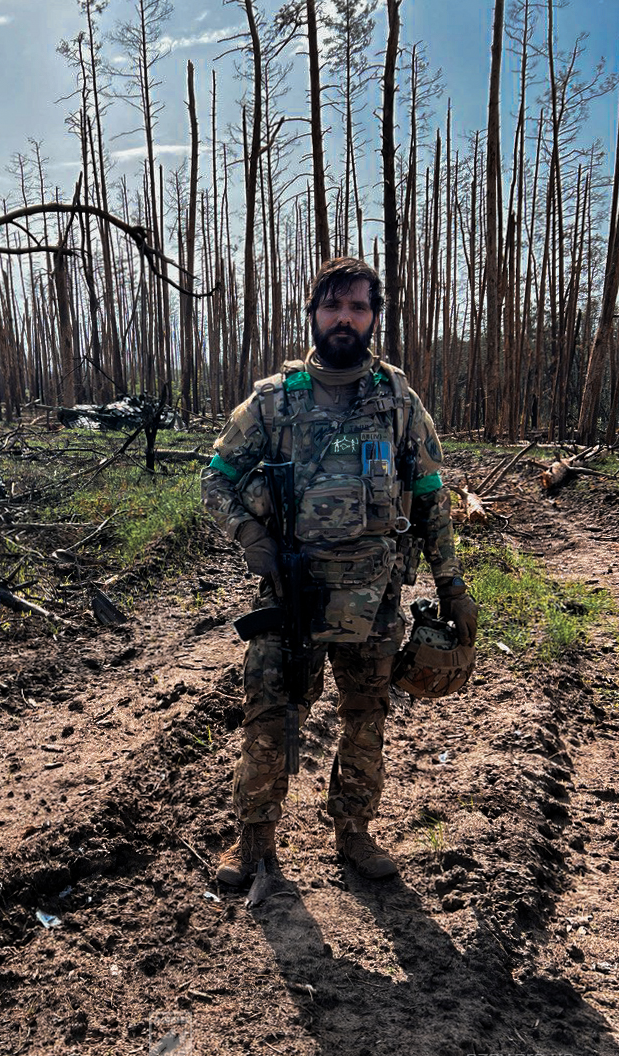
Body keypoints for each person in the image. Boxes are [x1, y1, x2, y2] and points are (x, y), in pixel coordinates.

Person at [201, 257, 478, 882]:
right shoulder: (273, 403)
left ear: (374, 316)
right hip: (291, 590)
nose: (345, 318)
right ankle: (252, 844)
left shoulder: (398, 400)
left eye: (357, 306)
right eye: (333, 306)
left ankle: (354, 833)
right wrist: (251, 537)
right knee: (270, 718)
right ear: (313, 313)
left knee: (366, 716)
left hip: (375, 594)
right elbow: (215, 479)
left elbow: (430, 494)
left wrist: (452, 585)